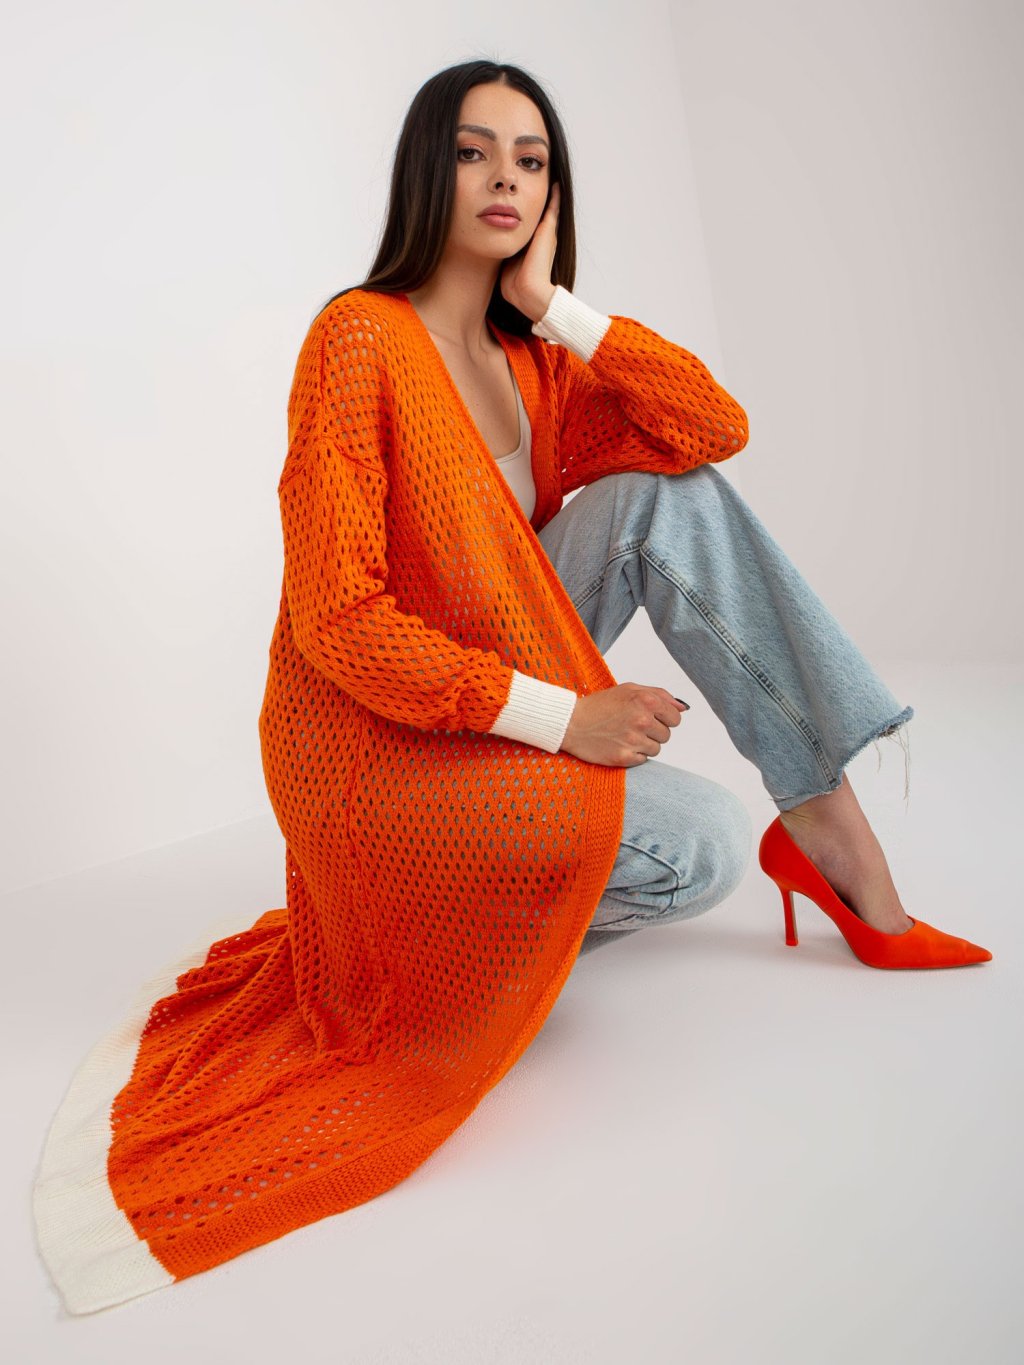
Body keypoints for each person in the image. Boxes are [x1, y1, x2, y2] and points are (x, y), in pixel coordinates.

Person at [33, 56, 991, 1322]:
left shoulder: (530, 359)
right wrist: (564, 720)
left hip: (485, 691)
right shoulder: (357, 339)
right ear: (426, 170)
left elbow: (711, 431)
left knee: (664, 497)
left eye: (530, 160)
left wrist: (557, 308)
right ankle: (456, 939)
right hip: (374, 745)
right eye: (475, 151)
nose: (504, 178)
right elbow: (337, 620)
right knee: (698, 849)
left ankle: (825, 824)